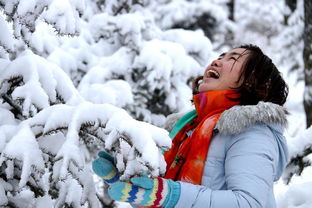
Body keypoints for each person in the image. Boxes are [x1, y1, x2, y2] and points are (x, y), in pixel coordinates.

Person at [92, 44, 289, 208]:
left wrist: (170, 194)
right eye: (220, 55)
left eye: (233, 59)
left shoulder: (252, 131)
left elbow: (249, 204)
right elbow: (169, 198)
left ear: (253, 81)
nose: (217, 61)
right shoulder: (187, 128)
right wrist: (130, 182)